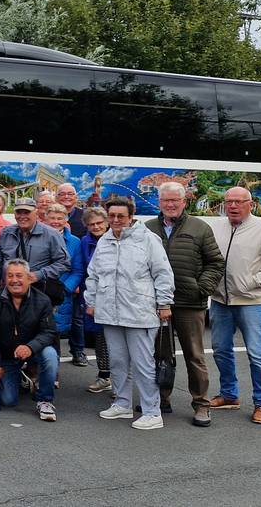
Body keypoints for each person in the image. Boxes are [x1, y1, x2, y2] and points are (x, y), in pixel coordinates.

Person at [84, 195, 175, 430]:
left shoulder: (148, 239)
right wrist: (91, 300)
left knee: (144, 364)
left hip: (140, 313)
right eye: (112, 216)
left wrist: (164, 304)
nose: (116, 220)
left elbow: (163, 273)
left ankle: (152, 411)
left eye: (121, 216)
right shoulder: (104, 241)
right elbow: (94, 275)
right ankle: (122, 403)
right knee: (117, 361)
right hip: (110, 312)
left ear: (131, 216)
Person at [146, 181, 225, 428]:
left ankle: (201, 404)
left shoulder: (199, 228)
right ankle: (161, 399)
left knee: (194, 356)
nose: (170, 204)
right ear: (159, 202)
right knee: (159, 355)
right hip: (157, 304)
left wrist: (201, 288)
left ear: (184, 202)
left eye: (174, 200)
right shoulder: (147, 228)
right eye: (165, 200)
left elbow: (216, 263)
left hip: (190, 303)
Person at [209, 186, 261, 426]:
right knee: (220, 350)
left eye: (239, 202)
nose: (233, 206)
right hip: (220, 300)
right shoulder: (216, 227)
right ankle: (229, 394)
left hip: (251, 302)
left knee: (257, 354)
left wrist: (252, 283)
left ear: (250, 204)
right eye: (229, 201)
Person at [0, 259, 59, 422]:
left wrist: (30, 347)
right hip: (7, 355)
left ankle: (45, 400)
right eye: (10, 276)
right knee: (8, 401)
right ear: (4, 279)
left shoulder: (42, 300)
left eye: (19, 275)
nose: (14, 280)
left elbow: (49, 332)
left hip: (34, 352)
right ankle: (23, 378)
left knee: (50, 355)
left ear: (29, 278)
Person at [0, 197, 69, 304]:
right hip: (9, 294)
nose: (22, 216)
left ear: (36, 213)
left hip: (39, 295)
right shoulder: (6, 233)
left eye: (27, 212)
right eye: (19, 212)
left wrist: (39, 274)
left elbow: (63, 263)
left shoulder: (51, 235)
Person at [45, 203, 86, 362]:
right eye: (52, 218)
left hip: (62, 292)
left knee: (56, 331)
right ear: (46, 219)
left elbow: (78, 270)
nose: (56, 221)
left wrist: (65, 289)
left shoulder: (74, 242)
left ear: (66, 219)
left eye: (59, 218)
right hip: (41, 290)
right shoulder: (37, 237)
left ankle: (53, 368)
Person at [79, 207, 114, 395]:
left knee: (119, 339)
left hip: (116, 296)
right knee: (100, 338)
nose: (96, 226)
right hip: (94, 295)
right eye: (91, 224)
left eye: (99, 223)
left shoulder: (116, 238)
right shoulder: (85, 242)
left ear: (107, 222)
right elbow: (84, 269)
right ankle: (104, 376)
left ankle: (121, 381)